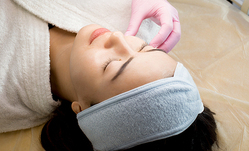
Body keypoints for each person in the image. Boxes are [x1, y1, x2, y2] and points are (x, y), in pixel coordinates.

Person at [41, 24, 218, 151]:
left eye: (109, 65)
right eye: (144, 47)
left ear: (81, 109)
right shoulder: (145, 20)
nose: (117, 36)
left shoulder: (13, 93)